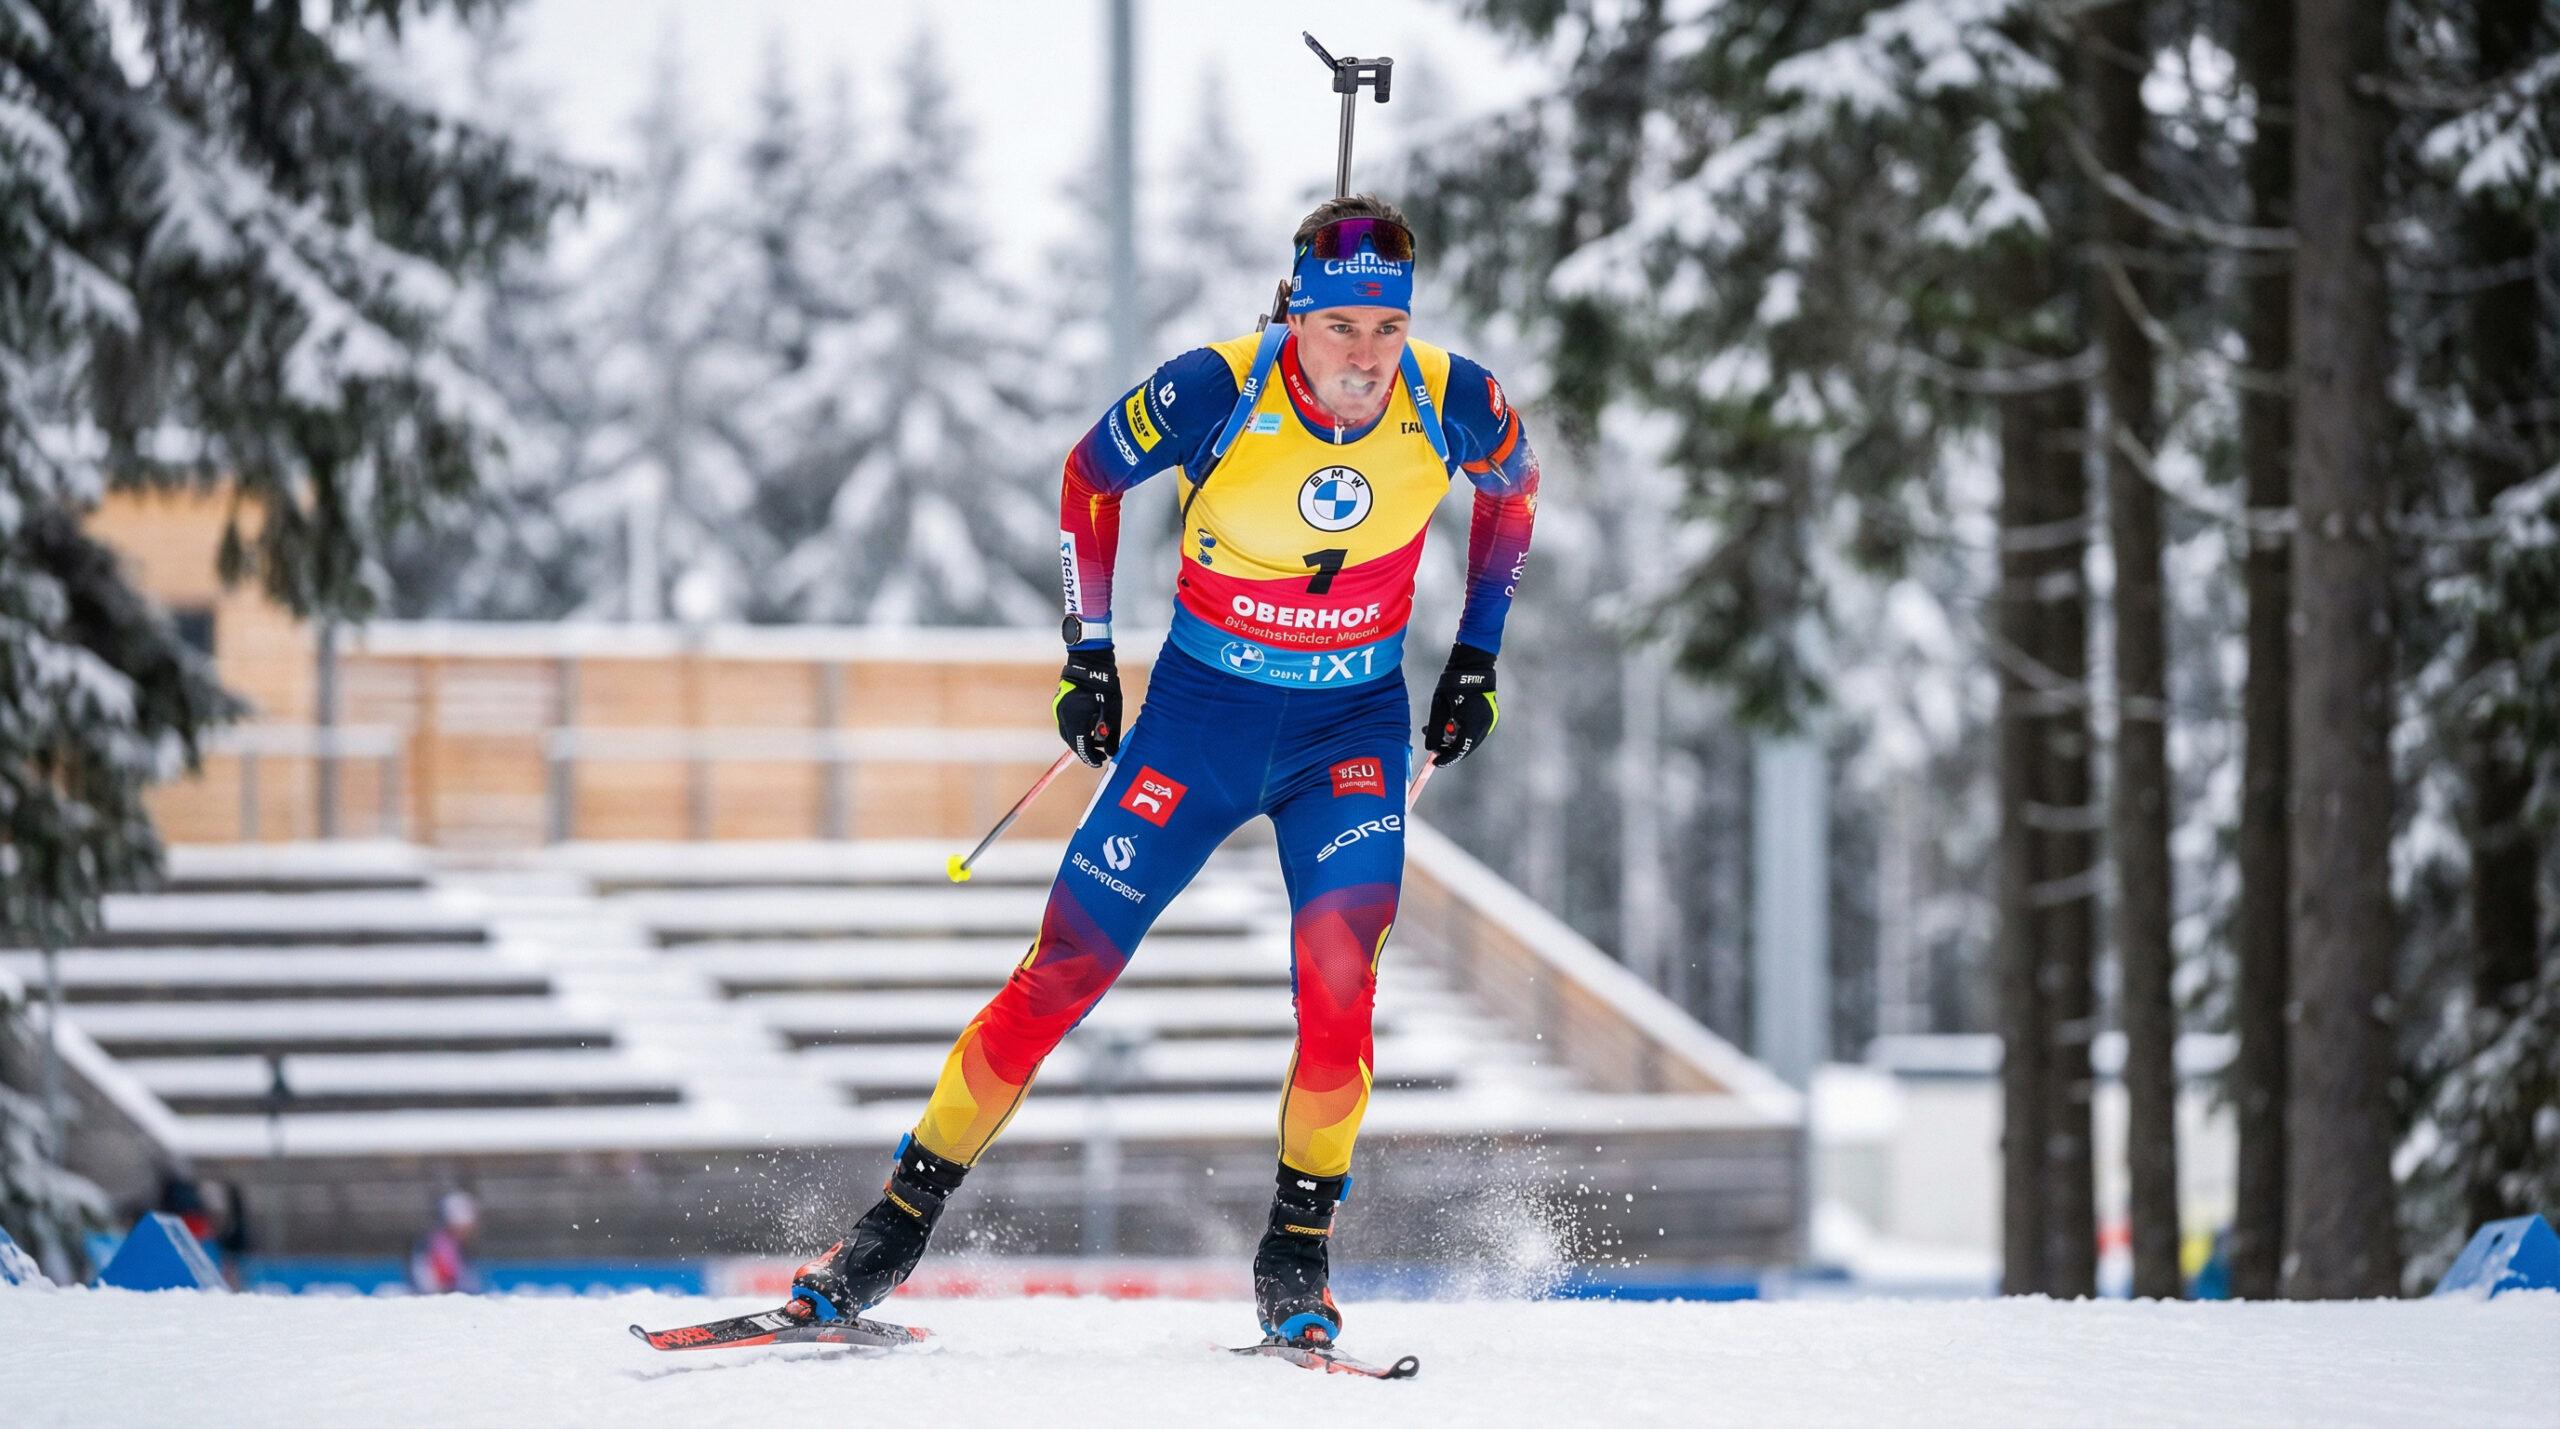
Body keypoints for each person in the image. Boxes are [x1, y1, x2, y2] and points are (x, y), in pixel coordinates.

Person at [789, 194, 1539, 1349]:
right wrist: (1086, 655)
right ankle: (886, 1231)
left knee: (1340, 989)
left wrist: (1474, 658)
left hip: (1345, 735)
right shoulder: (1215, 387)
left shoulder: (1454, 398)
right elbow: (1086, 480)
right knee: (1064, 969)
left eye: (1384, 331)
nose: (1365, 358)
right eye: (1340, 327)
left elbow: (1512, 493)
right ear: (1295, 314)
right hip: (1197, 722)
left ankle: (1297, 1255)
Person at [408, 1190, 483, 1295]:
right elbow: (438, 1286)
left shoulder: (458, 1247)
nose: (473, 1228)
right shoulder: (439, 1246)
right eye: (468, 1225)